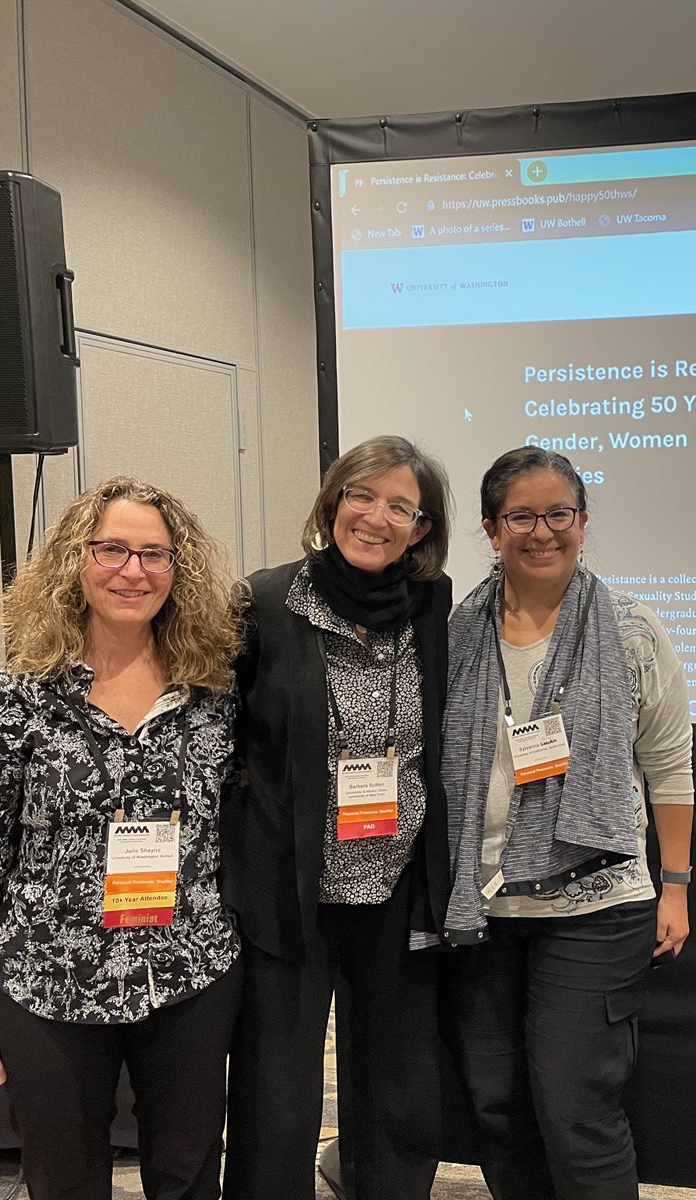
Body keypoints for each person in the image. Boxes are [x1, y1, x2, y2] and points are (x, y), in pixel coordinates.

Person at [0, 476, 244, 1200]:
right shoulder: (10, 702)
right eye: (112, 549)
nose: (132, 571)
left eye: (154, 554)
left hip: (189, 974)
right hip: (47, 982)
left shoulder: (216, 696)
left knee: (191, 1174)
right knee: (64, 1178)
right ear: (76, 559)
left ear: (179, 570)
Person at [444, 446, 695, 1200]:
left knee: (575, 1107)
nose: (542, 531)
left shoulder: (630, 629)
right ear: (492, 528)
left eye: (559, 514)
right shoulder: (456, 632)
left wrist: (675, 884)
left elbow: (670, 765)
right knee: (497, 1105)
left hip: (595, 905)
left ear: (583, 523)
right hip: (481, 908)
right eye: (521, 515)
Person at [222, 435, 454, 1200]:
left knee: (394, 1087)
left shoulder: (431, 605)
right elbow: (222, 738)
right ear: (333, 502)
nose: (376, 517)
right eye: (362, 495)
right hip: (288, 889)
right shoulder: (264, 601)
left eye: (400, 506)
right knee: (277, 1096)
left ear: (422, 528)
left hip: (396, 884)